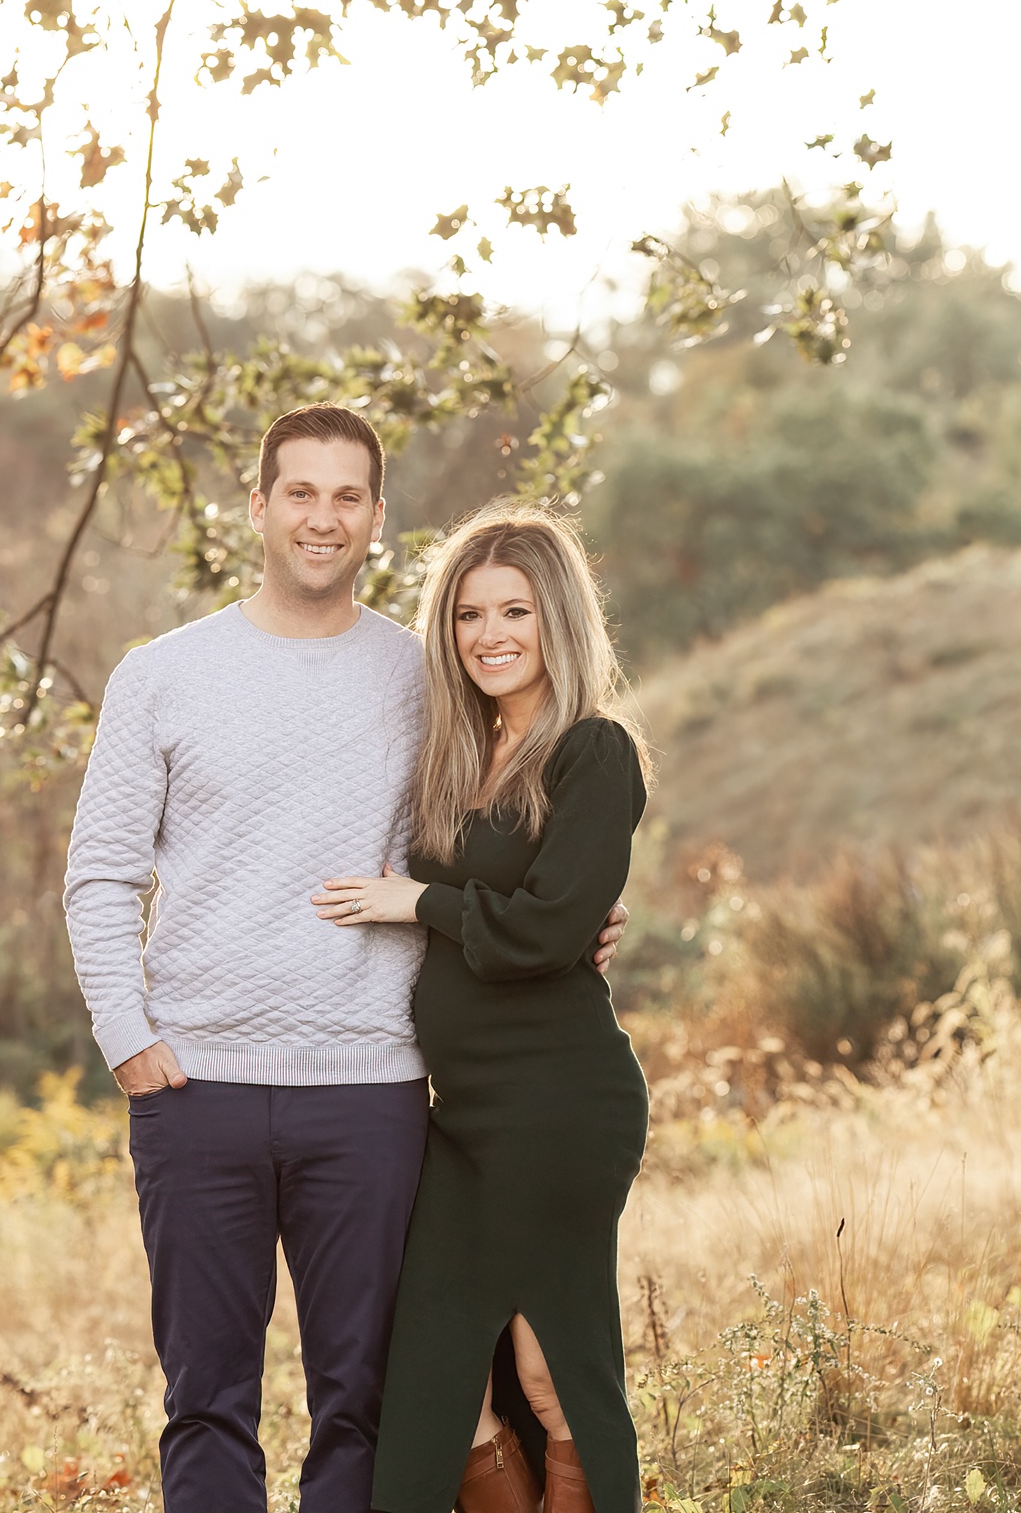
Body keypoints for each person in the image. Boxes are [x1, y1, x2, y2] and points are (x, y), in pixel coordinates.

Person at [62, 408, 623, 1513]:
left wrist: (584, 916)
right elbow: (101, 873)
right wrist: (126, 1036)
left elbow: (537, 808)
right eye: (301, 492)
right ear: (259, 504)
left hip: (370, 1091)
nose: (323, 517)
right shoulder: (161, 675)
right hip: (197, 1088)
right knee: (206, 1398)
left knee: (363, 1402)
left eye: (348, 496)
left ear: (376, 516)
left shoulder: (431, 678)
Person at [312, 502, 654, 1513]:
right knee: (433, 1386)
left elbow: (547, 931)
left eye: (516, 610)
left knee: (554, 1372)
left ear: (559, 620)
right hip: (458, 1118)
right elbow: (528, 911)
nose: (491, 635)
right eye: (468, 614)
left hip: (558, 1106)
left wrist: (419, 899)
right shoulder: (453, 756)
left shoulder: (593, 752)